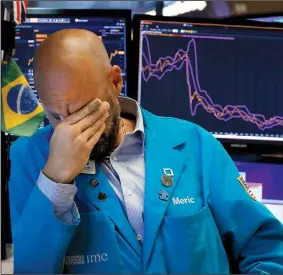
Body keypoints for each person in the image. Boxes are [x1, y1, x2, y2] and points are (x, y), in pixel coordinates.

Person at [9, 29, 283, 274]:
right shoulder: (30, 158)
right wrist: (56, 179)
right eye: (57, 116)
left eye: (85, 112)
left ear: (114, 82)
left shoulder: (194, 143)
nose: (72, 131)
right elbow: (32, 268)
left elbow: (267, 248)